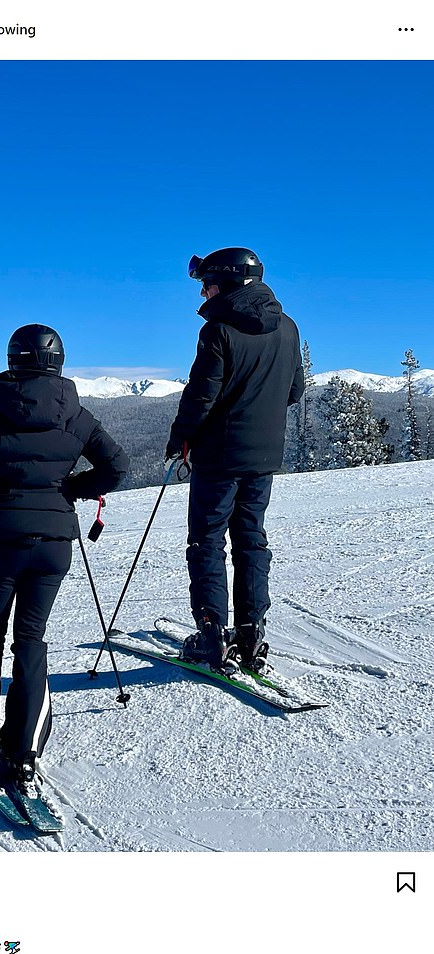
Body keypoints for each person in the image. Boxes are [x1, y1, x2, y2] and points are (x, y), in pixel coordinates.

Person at [0, 324, 129, 797]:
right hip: (54, 544)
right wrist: (71, 490)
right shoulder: (77, 415)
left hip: (0, 541)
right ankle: (23, 753)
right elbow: (116, 468)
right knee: (31, 638)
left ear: (11, 360)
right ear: (58, 362)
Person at [165, 247, 304, 673]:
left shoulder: (218, 331)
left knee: (207, 540)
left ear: (223, 283)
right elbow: (295, 392)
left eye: (205, 284)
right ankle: (251, 631)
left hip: (218, 458)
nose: (202, 294)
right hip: (264, 458)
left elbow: (200, 396)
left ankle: (211, 635)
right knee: (251, 539)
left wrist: (179, 440)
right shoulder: (288, 327)